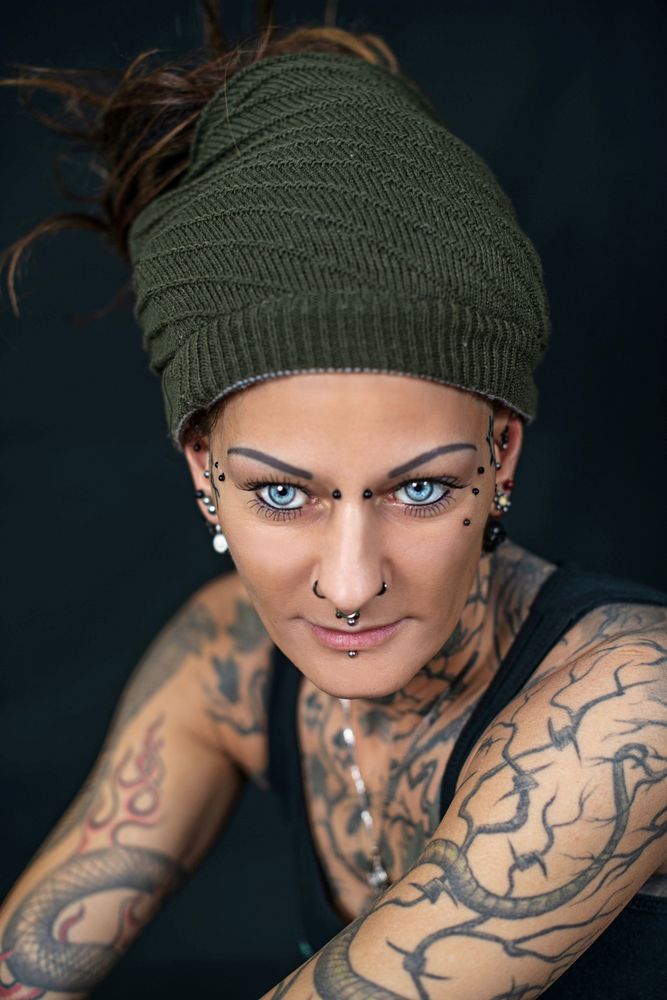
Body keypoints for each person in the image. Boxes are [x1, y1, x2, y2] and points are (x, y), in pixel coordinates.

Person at [1, 7, 666, 999]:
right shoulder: (226, 656)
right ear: (202, 470)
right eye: (282, 493)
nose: (350, 585)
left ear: (500, 455)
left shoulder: (631, 710)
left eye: (420, 488)